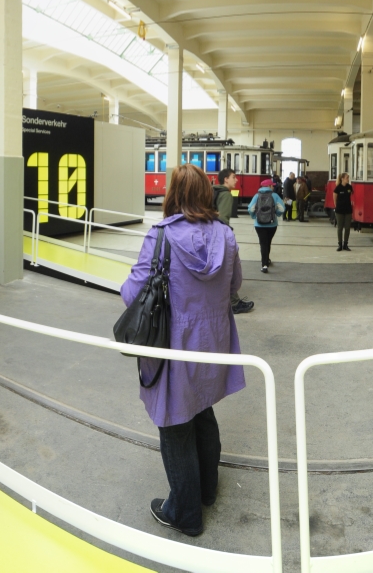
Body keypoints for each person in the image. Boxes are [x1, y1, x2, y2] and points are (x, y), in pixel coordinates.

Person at [119, 164, 244, 538]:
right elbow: (234, 284)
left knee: (174, 424)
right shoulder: (226, 234)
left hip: (173, 343)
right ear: (207, 193)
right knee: (202, 409)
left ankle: (185, 512)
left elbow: (132, 293)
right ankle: (207, 489)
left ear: (172, 194)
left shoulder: (161, 236)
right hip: (214, 341)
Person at [212, 169, 255, 314]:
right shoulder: (225, 195)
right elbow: (222, 221)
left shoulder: (214, 191)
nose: (236, 180)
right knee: (228, 269)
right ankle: (234, 303)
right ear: (226, 180)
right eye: (233, 177)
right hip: (219, 238)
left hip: (210, 236)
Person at [248, 179, 281, 273]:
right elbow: (282, 208)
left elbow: (251, 208)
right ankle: (267, 260)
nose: (273, 187)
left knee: (263, 243)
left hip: (259, 224)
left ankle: (264, 265)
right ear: (269, 186)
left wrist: (255, 216)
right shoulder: (275, 196)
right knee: (268, 242)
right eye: (272, 185)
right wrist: (277, 214)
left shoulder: (256, 196)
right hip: (272, 224)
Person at [333, 173, 355, 251]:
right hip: (339, 210)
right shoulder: (338, 188)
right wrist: (336, 206)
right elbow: (334, 198)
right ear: (342, 178)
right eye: (346, 177)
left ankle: (346, 244)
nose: (348, 179)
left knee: (347, 228)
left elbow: (353, 195)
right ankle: (340, 244)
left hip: (348, 210)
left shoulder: (349, 187)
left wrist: (353, 202)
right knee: (340, 228)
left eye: (348, 177)